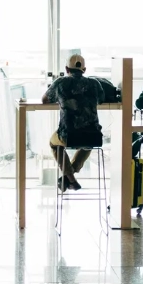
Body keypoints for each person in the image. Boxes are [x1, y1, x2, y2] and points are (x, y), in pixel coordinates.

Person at [44, 54, 104, 192]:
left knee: (54, 144)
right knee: (88, 143)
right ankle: (69, 177)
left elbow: (45, 99)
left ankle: (69, 178)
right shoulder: (95, 83)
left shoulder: (60, 82)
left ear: (66, 69)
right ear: (84, 69)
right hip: (93, 135)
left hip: (68, 135)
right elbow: (101, 99)